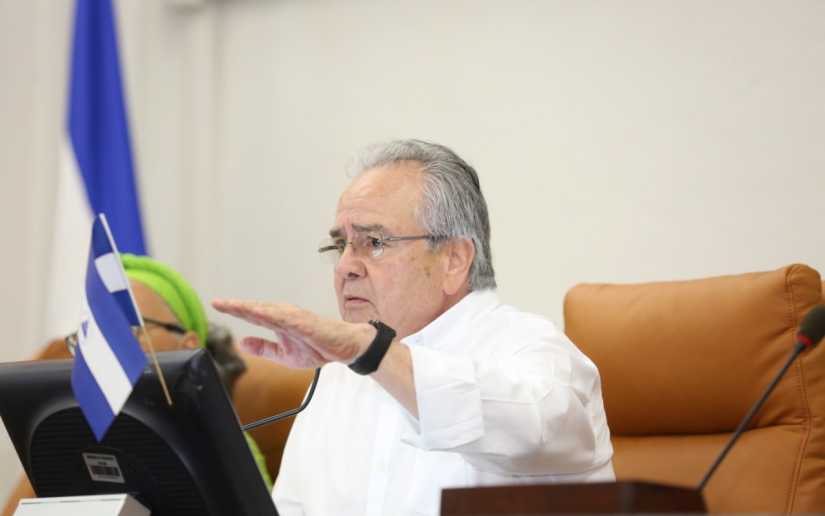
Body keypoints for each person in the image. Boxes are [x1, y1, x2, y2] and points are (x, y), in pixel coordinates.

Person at [213, 139, 615, 516]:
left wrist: (373, 353)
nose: (345, 267)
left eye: (374, 242)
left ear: (454, 259)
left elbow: (531, 433)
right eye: (340, 245)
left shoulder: (531, 349)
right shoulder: (337, 377)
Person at [1, 254, 271, 516]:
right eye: (96, 331)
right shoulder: (73, 439)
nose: (106, 344)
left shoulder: (228, 446)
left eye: (127, 329)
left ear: (187, 345)